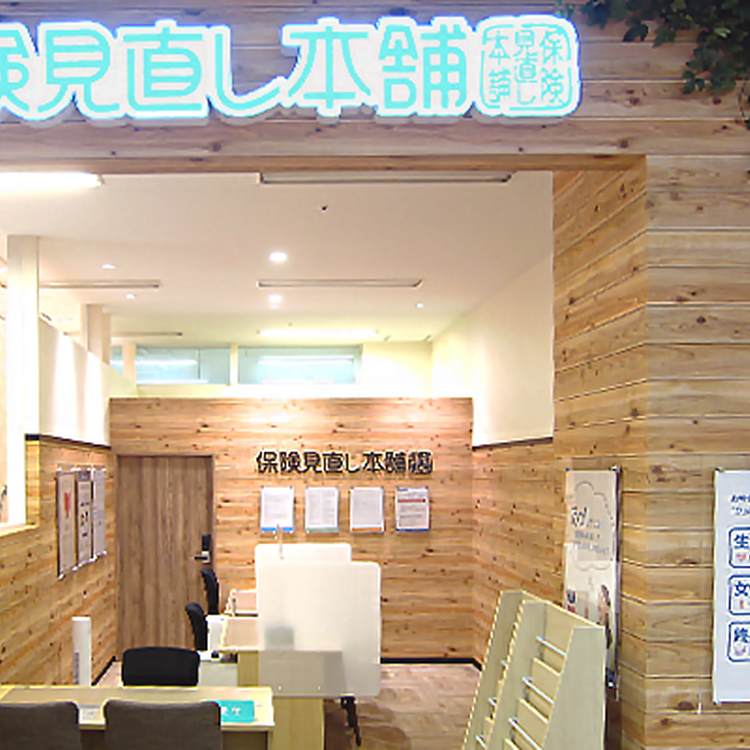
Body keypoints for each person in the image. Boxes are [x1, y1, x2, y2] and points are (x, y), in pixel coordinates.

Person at [597, 584, 613, 650]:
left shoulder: (607, 635)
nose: (599, 604)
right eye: (599, 599)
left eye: (602, 600)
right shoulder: (595, 627)